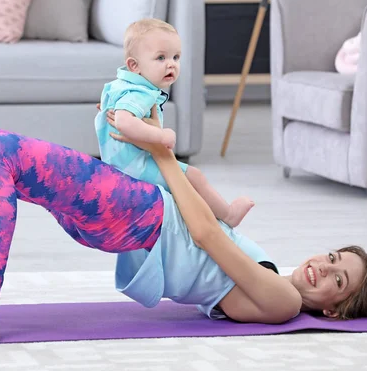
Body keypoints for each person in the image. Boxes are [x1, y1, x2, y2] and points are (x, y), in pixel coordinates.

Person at [0, 108, 367, 350]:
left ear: (335, 310)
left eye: (335, 281)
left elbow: (204, 235)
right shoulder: (281, 280)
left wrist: (162, 152)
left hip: (140, 216)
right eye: (334, 257)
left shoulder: (283, 303)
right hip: (134, 206)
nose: (322, 268)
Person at [95, 18, 254, 228]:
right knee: (193, 177)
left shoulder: (122, 85)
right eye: (160, 58)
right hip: (134, 169)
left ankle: (206, 217)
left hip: (124, 164)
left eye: (176, 57)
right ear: (134, 65)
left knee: (187, 180)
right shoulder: (140, 92)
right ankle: (228, 215)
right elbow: (124, 121)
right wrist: (161, 136)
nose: (171, 64)